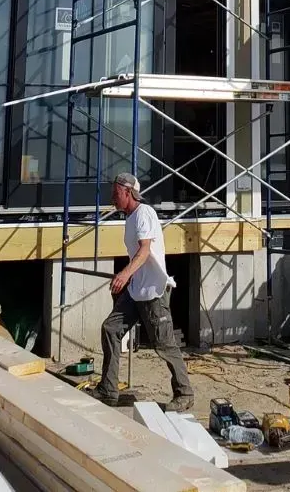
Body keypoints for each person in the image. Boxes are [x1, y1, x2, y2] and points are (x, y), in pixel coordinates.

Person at [93, 172, 195, 411]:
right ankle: (108, 390)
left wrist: (124, 274)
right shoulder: (130, 218)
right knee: (111, 328)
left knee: (164, 344)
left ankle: (185, 393)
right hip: (136, 289)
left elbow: (144, 251)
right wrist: (129, 280)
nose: (112, 197)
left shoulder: (144, 213)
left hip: (153, 291)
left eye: (116, 193)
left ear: (128, 192)